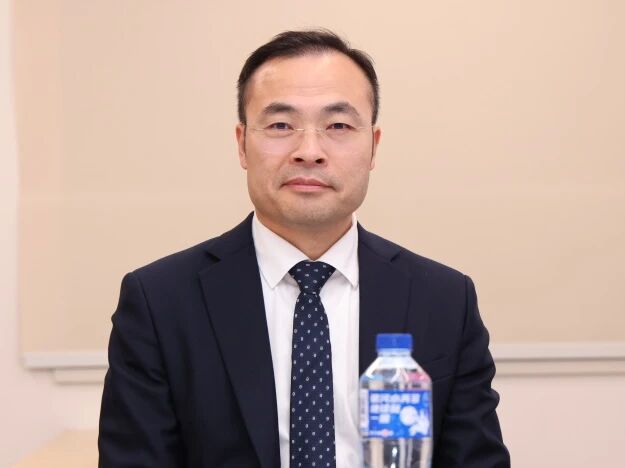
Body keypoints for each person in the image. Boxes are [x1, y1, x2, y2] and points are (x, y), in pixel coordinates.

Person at [98, 29, 510, 468]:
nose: (309, 151)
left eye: (338, 126)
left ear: (373, 146)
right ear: (242, 144)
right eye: (280, 125)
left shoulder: (444, 300)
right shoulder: (160, 302)